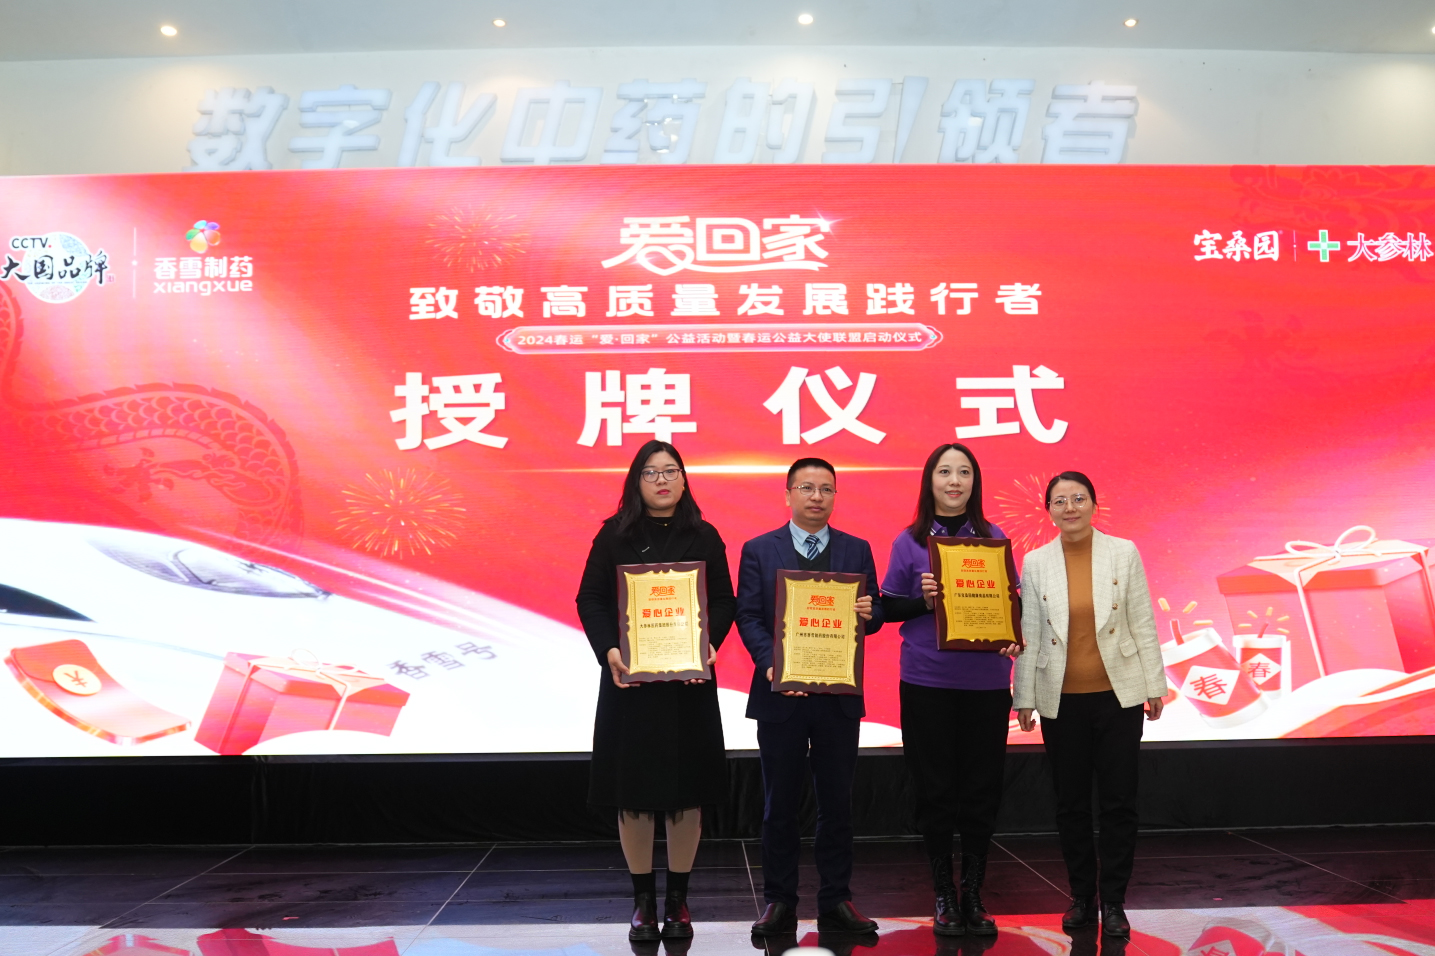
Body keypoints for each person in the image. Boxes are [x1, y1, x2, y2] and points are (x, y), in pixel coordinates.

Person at [575, 440, 737, 942]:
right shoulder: (614, 535)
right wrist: (609, 650)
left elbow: (724, 601)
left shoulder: (704, 535)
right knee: (635, 796)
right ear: (636, 481)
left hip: (689, 685)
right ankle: (643, 901)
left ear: (684, 480)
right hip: (631, 687)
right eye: (651, 472)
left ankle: (678, 901)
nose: (662, 480)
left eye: (671, 471)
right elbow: (590, 598)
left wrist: (708, 645)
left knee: (687, 795)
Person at [1012, 472, 1168, 939]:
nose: (1070, 508)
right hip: (1060, 700)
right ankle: (1082, 897)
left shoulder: (1123, 552)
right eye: (1060, 501)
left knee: (1119, 802)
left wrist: (1154, 684)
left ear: (1094, 505)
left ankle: (1115, 902)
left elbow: (1142, 620)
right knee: (1071, 804)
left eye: (1079, 498)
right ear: (1048, 510)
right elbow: (1030, 631)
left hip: (1118, 695)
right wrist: (1024, 696)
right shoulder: (1036, 562)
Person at [737, 457, 884, 937]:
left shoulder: (857, 549)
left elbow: (875, 612)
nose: (817, 496)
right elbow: (748, 615)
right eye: (806, 487)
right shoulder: (759, 549)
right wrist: (771, 663)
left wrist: (871, 611)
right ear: (788, 495)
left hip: (837, 696)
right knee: (779, 803)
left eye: (826, 488)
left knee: (837, 804)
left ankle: (836, 899)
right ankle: (779, 901)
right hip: (780, 696)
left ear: (835, 496)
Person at [879, 443, 1020, 937]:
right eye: (945, 472)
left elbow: (1011, 602)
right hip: (927, 681)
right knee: (934, 789)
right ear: (930, 481)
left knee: (981, 789)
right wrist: (922, 600)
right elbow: (884, 609)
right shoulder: (909, 541)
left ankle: (974, 893)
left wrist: (1013, 635)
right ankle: (943, 894)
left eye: (964, 472)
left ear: (974, 482)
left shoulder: (994, 538)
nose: (954, 481)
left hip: (986, 683)